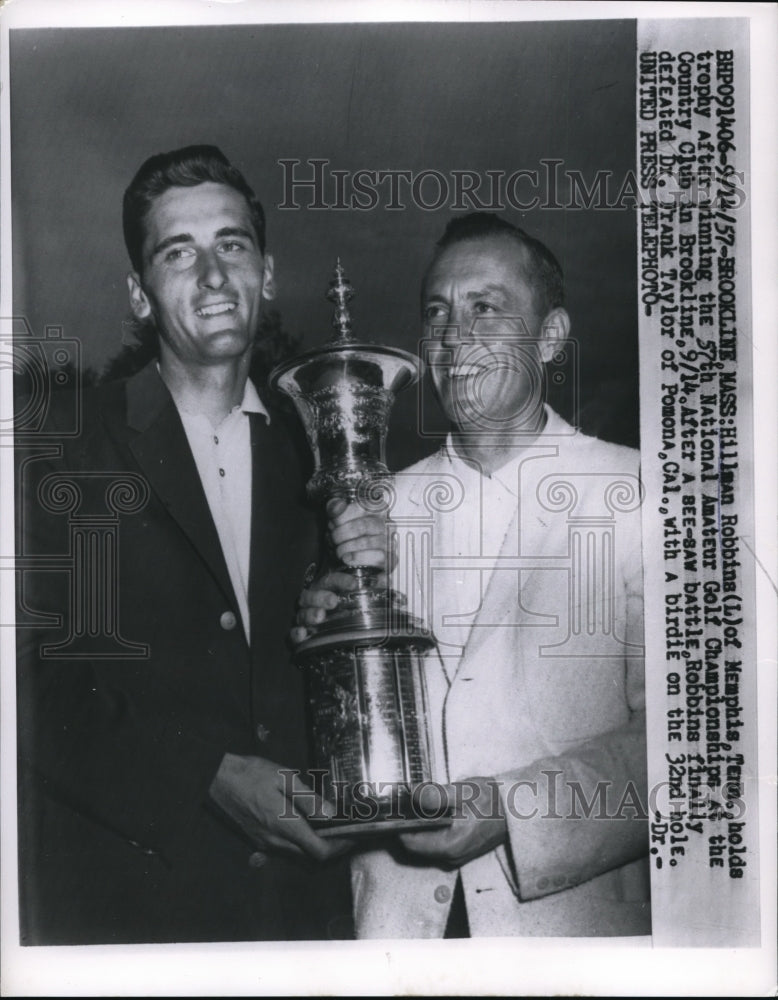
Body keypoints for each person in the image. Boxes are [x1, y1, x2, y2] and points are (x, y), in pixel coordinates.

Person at [14, 145, 355, 944]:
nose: (211, 275)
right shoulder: (59, 446)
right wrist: (205, 776)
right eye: (178, 252)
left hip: (304, 923)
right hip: (130, 921)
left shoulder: (320, 449)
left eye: (231, 244)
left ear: (266, 274)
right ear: (139, 293)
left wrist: (329, 629)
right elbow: (24, 686)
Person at [296, 212, 649, 938]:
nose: (453, 338)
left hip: (571, 940)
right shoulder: (370, 505)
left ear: (550, 337)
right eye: (437, 312)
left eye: (484, 308)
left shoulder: (642, 489)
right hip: (395, 940)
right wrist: (316, 639)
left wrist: (510, 812)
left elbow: (691, 747)